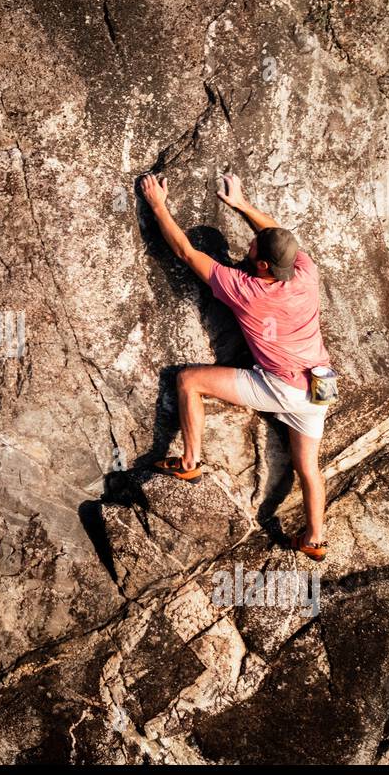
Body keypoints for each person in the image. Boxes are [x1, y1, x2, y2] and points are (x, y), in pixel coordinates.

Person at [137, 172, 334, 561]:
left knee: (189, 380)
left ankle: (189, 461)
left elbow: (186, 254)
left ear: (261, 265)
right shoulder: (305, 274)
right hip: (320, 385)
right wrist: (241, 204)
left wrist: (157, 205)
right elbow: (277, 231)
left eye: (253, 246)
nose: (249, 240)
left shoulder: (248, 291)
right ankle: (315, 538)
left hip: (283, 386)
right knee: (308, 467)